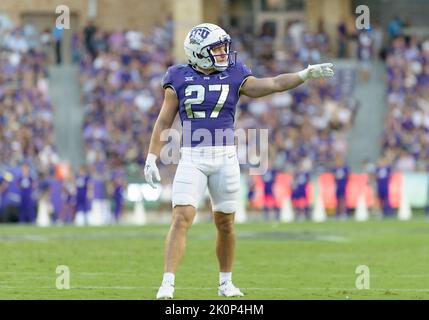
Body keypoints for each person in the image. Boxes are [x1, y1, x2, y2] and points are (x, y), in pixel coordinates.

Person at [144, 23, 334, 299]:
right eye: (217, 49)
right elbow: (164, 120)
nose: (223, 53)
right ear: (198, 53)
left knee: (225, 223)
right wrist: (151, 156)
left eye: (223, 47)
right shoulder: (177, 77)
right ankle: (167, 283)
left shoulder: (235, 73)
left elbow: (273, 84)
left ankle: (225, 283)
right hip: (192, 157)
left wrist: (304, 74)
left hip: (225, 157)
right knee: (181, 218)